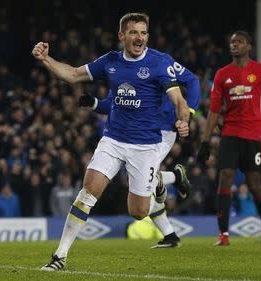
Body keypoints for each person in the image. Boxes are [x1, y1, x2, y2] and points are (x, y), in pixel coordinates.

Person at [32, 12, 190, 270]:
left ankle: (162, 180)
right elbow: (72, 75)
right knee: (87, 192)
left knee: (138, 212)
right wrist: (45, 59)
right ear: (122, 36)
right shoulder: (110, 62)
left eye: (143, 32)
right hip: (113, 140)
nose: (139, 37)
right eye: (133, 32)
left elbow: (179, 101)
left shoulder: (160, 63)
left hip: (145, 146)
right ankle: (59, 256)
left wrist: (183, 120)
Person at [78, 55, 200, 248]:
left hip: (163, 129)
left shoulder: (160, 62)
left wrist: (187, 114)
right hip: (134, 135)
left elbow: (192, 80)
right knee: (145, 187)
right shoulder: (122, 73)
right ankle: (170, 234)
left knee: (145, 186)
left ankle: (174, 177)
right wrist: (93, 102)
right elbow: (111, 105)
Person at [197, 31, 261, 246]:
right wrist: (205, 141)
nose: (234, 45)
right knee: (225, 178)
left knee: (254, 185)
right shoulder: (222, 75)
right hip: (230, 133)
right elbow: (213, 111)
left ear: (249, 46)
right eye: (232, 42)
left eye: (239, 42)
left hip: (253, 135)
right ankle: (223, 235)